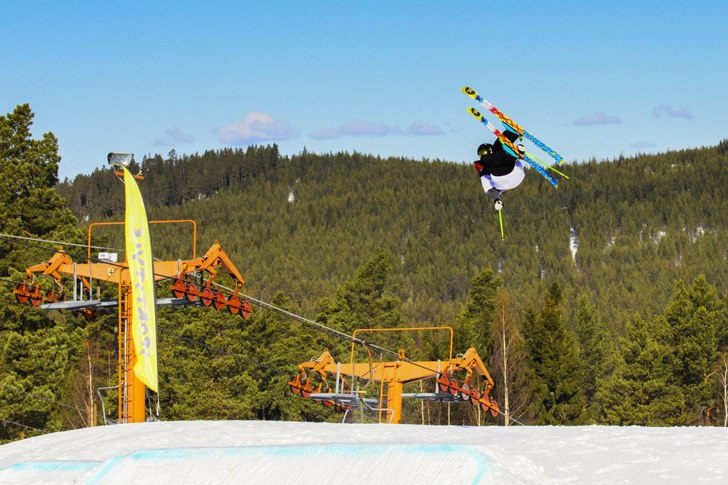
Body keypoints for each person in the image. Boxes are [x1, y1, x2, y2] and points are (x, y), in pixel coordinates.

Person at [473, 129, 526, 210]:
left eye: (486, 150)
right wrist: (496, 200)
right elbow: (488, 189)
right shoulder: (483, 167)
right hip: (505, 178)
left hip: (515, 170)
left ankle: (512, 133)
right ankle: (514, 155)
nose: (484, 153)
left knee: (497, 146)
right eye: (482, 152)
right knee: (490, 160)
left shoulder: (494, 155)